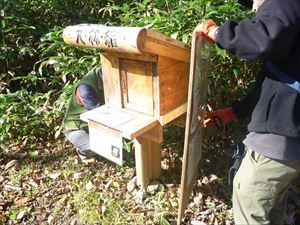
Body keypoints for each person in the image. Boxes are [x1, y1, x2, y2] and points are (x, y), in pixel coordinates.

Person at [196, 0, 300, 224]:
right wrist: (231, 112)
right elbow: (278, 81)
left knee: (249, 200)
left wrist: (216, 32)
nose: (253, 10)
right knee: (271, 209)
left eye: (253, 2)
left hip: (279, 135)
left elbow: (265, 39)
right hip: (288, 131)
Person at [63, 67, 105, 162]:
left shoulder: (104, 73)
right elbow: (100, 116)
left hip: (93, 124)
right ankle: (82, 151)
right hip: (77, 127)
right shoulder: (85, 89)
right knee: (98, 147)